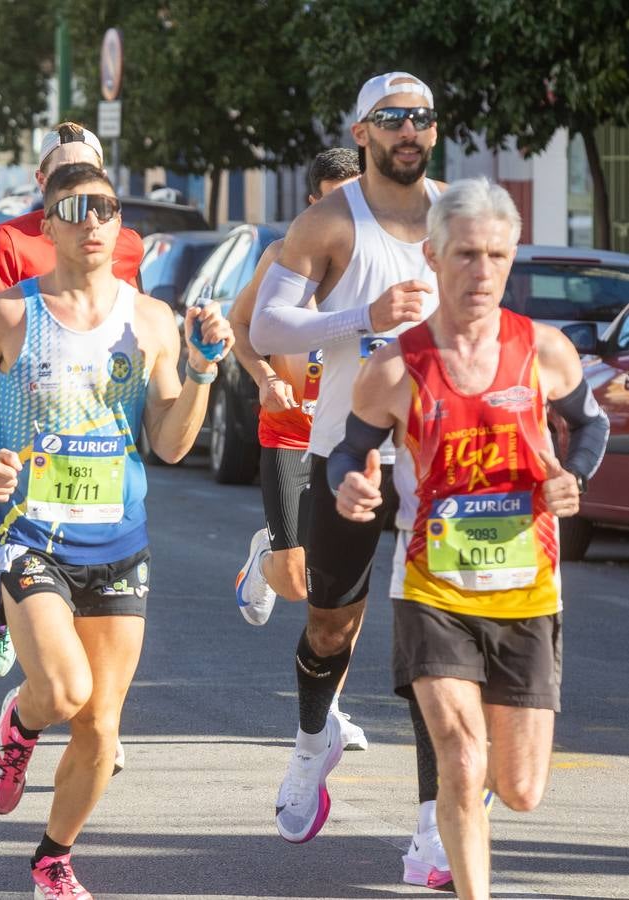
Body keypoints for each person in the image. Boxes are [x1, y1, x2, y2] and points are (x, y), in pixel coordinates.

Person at [0, 163, 232, 898]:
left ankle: (53, 858)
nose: (94, 220)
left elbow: (168, 443)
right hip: (31, 533)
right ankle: (18, 722)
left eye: (105, 207)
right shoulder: (8, 314)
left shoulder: (151, 321)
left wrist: (201, 372)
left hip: (119, 543)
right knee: (62, 692)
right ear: (48, 225)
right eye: (75, 208)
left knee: (102, 727)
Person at [332, 178, 608, 899]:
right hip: (431, 585)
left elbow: (591, 424)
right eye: (463, 255)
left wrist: (569, 477)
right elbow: (347, 449)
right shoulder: (395, 365)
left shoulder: (543, 352)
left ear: (509, 257)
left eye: (493, 255)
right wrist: (350, 482)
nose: (480, 273)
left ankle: (473, 813)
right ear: (431, 255)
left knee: (518, 788)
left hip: (525, 588)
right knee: (456, 756)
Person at [247, 72, 447, 848]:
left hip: (440, 462)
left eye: (421, 118)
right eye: (392, 118)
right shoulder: (331, 222)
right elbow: (267, 327)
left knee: (435, 639)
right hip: (344, 454)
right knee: (329, 627)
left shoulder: (456, 215)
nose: (408, 131)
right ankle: (310, 746)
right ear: (361, 130)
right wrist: (362, 316)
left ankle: (436, 821)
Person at [0, 122, 145, 681]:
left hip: (100, 421)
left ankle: (97, 713)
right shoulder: (8, 242)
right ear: (42, 183)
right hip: (22, 423)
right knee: (37, 539)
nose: (83, 205)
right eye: (62, 175)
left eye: (88, 175)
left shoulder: (124, 242)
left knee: (93, 544)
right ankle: (6, 585)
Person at [228, 149, 371, 754]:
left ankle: (330, 707)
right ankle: (266, 554)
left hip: (344, 438)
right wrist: (265, 380)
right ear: (314, 202)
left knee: (341, 589)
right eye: (333, 197)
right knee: (294, 582)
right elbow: (241, 328)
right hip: (287, 431)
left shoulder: (375, 266)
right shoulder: (280, 260)